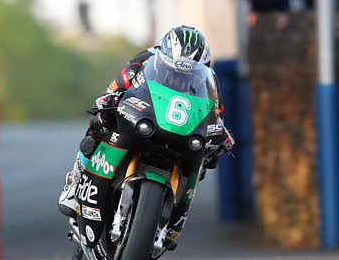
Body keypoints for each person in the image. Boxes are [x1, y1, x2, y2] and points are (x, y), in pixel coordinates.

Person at [57, 25, 233, 248]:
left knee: (207, 161)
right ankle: (75, 179)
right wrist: (108, 99)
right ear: (164, 55)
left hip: (182, 133)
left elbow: (217, 112)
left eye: (189, 73)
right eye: (174, 71)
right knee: (98, 123)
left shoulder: (210, 80)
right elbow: (118, 85)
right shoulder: (146, 58)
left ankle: (170, 221)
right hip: (145, 116)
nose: (180, 78)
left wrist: (221, 137)